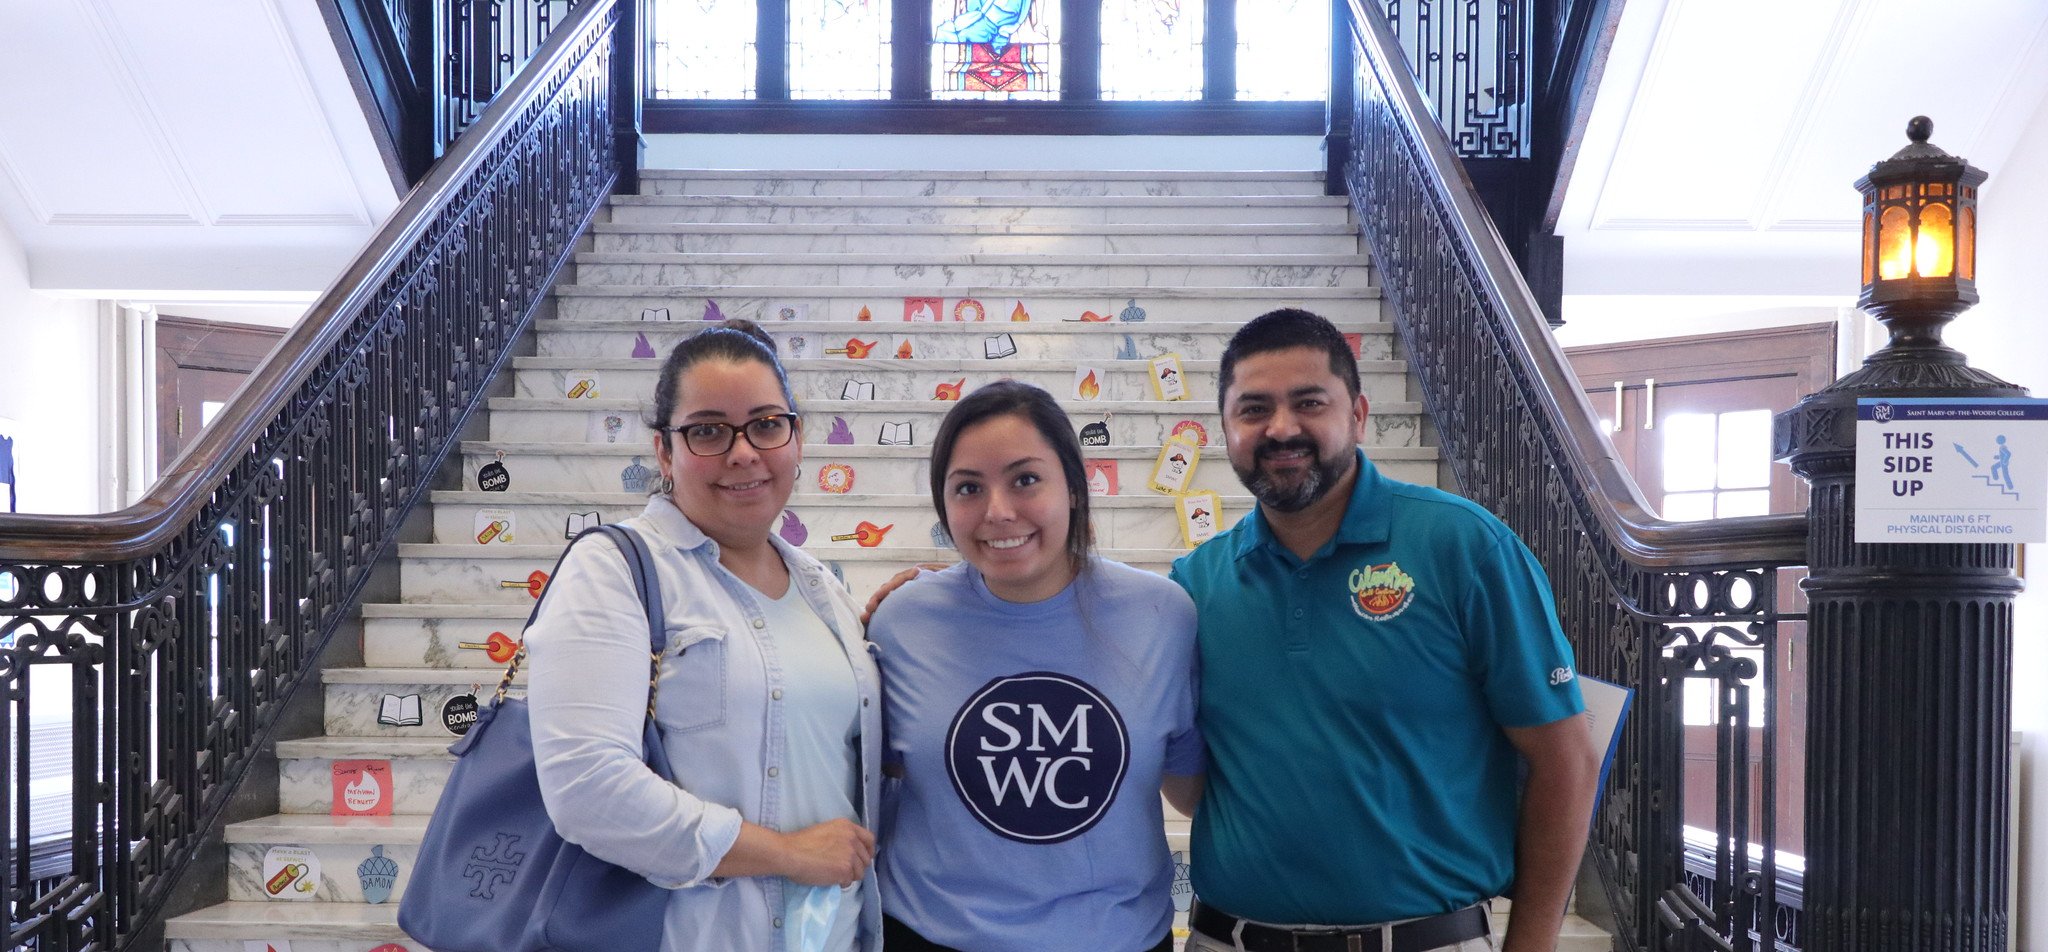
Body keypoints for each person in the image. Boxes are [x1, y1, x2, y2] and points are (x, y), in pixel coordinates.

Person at [1172, 308, 1600, 952]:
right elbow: (1190, 784)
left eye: (1309, 402)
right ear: (1226, 429)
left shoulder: (1464, 548)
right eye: (1253, 409)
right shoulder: (1194, 585)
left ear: (1359, 415)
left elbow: (1566, 759)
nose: (1281, 428)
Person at [525, 319, 883, 952]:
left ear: (797, 439)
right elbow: (587, 787)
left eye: (768, 424)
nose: (744, 452)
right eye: (709, 431)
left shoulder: (822, 589)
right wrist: (786, 855)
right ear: (665, 451)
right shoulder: (615, 569)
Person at [865, 380, 1204, 952]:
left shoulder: (1163, 616)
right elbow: (882, 784)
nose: (998, 512)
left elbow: (1190, 792)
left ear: (1073, 487)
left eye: (1025, 479)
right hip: (930, 935)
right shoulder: (903, 620)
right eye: (968, 487)